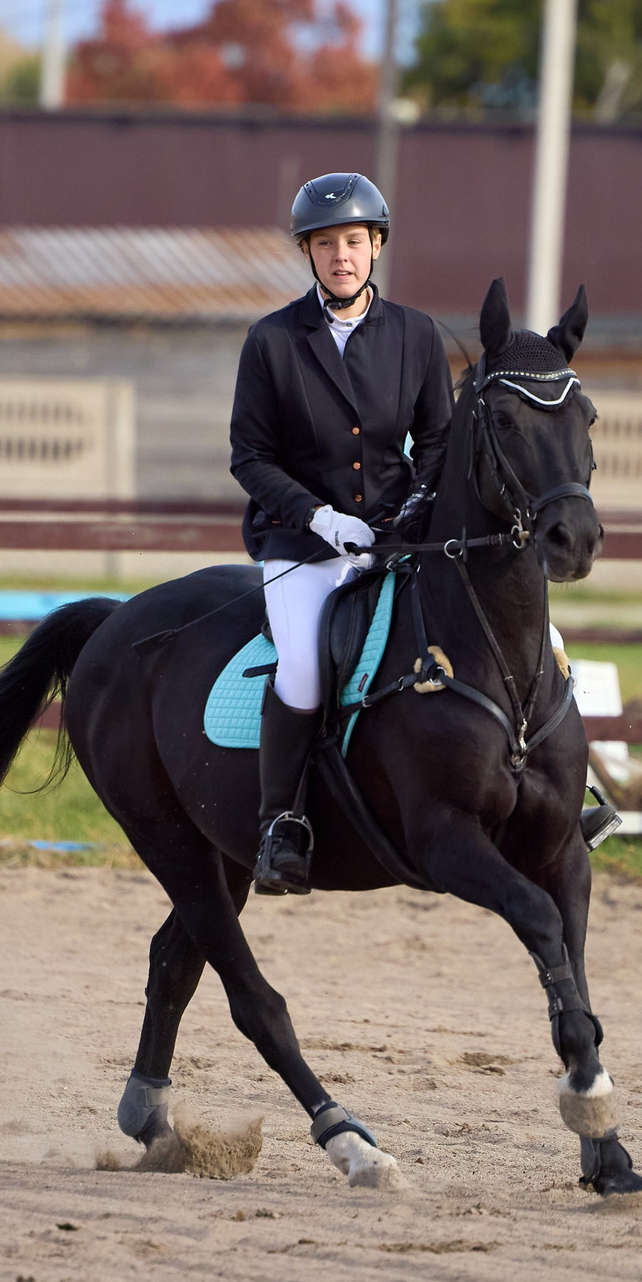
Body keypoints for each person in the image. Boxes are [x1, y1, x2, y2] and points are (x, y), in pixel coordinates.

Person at [228, 173, 452, 892]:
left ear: (377, 245)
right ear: (309, 255)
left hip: (397, 540)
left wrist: (412, 513)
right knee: (301, 666)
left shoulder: (417, 335)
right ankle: (280, 826)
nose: (341, 257)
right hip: (303, 547)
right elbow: (250, 457)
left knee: (507, 625)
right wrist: (320, 518)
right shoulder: (272, 341)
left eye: (354, 241)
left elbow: (440, 444)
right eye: (325, 245)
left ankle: (557, 795)